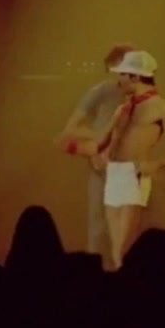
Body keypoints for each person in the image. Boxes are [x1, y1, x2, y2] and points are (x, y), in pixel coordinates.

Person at [58, 50, 165, 269]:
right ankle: (119, 283)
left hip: (134, 174)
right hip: (114, 174)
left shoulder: (163, 109)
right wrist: (73, 147)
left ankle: (128, 284)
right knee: (116, 248)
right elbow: (101, 142)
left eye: (123, 75)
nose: (119, 80)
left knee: (125, 246)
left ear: (135, 76)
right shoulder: (122, 109)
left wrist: (155, 164)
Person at [57, 44, 135, 262]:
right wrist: (99, 139)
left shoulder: (141, 97)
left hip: (129, 172)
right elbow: (70, 129)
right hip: (102, 171)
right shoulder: (103, 91)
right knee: (98, 230)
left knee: (127, 234)